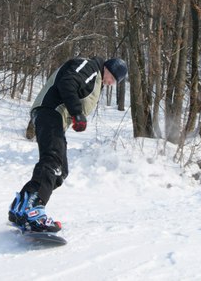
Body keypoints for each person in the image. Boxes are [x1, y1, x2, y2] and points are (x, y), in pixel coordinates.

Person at [8, 56, 128, 232]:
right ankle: (33, 210)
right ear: (108, 70)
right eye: (113, 79)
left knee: (60, 170)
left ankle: (21, 206)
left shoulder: (96, 77)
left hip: (54, 117)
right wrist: (77, 113)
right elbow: (68, 81)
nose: (111, 83)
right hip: (50, 111)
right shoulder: (90, 67)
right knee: (52, 162)